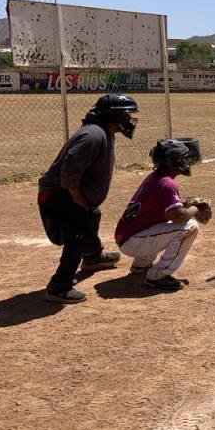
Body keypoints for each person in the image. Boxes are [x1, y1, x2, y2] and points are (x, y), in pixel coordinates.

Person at [37, 94, 139, 303]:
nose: (129, 119)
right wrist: (77, 198)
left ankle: (92, 257)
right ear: (114, 115)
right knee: (78, 234)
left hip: (69, 193)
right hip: (60, 195)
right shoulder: (94, 134)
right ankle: (59, 286)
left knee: (92, 215)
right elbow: (70, 168)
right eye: (126, 114)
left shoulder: (104, 131)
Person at [114, 139, 211, 291]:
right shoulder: (167, 183)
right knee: (189, 227)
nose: (186, 161)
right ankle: (158, 275)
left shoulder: (157, 177)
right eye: (182, 158)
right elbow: (178, 216)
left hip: (129, 236)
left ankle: (142, 264)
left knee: (165, 226)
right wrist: (195, 209)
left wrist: (186, 205)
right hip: (133, 240)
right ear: (172, 162)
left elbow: (164, 209)